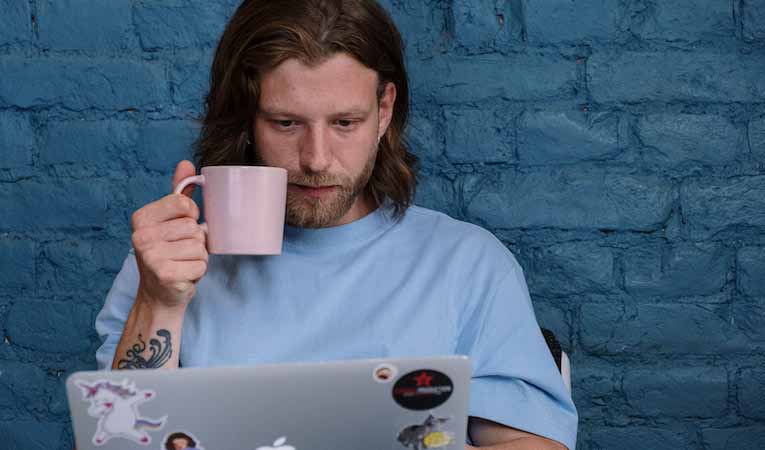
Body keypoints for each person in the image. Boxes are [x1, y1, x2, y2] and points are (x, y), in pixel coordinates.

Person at [94, 1, 578, 449]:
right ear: (247, 118)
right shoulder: (166, 263)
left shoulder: (467, 264)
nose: (317, 159)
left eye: (345, 122)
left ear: (384, 111)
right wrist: (158, 302)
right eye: (286, 123)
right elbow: (118, 444)